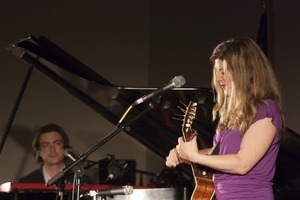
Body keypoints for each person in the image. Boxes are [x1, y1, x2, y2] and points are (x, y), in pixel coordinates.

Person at [166, 37, 284, 200]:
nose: (219, 79)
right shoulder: (233, 114)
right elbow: (217, 154)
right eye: (217, 71)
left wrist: (194, 156)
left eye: (224, 71)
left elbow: (242, 163)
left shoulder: (266, 110)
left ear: (245, 72)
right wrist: (183, 154)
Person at [19, 123, 93, 185]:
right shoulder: (26, 182)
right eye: (46, 145)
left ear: (65, 147)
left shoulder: (83, 181)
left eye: (57, 143)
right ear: (39, 151)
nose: (52, 149)